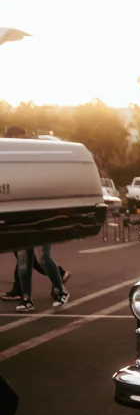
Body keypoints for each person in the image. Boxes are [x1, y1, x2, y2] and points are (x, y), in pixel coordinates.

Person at [2, 125, 71, 309]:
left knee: (42, 257)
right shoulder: (9, 161)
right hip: (20, 214)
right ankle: (26, 299)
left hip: (41, 214)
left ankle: (60, 289)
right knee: (24, 259)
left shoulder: (35, 157)